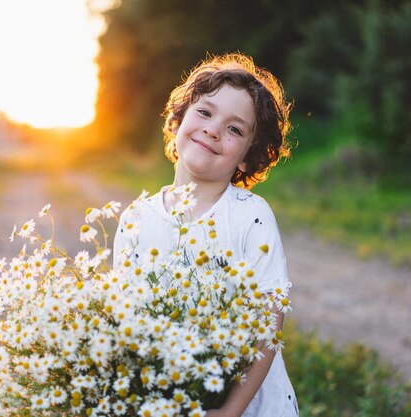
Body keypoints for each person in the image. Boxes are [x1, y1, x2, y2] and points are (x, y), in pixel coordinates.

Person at [113, 53, 298, 417]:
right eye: (205, 112)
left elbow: (269, 323)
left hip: (249, 406)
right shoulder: (135, 218)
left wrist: (229, 412)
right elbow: (125, 322)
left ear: (247, 157)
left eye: (235, 129)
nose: (214, 129)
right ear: (177, 120)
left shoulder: (250, 215)